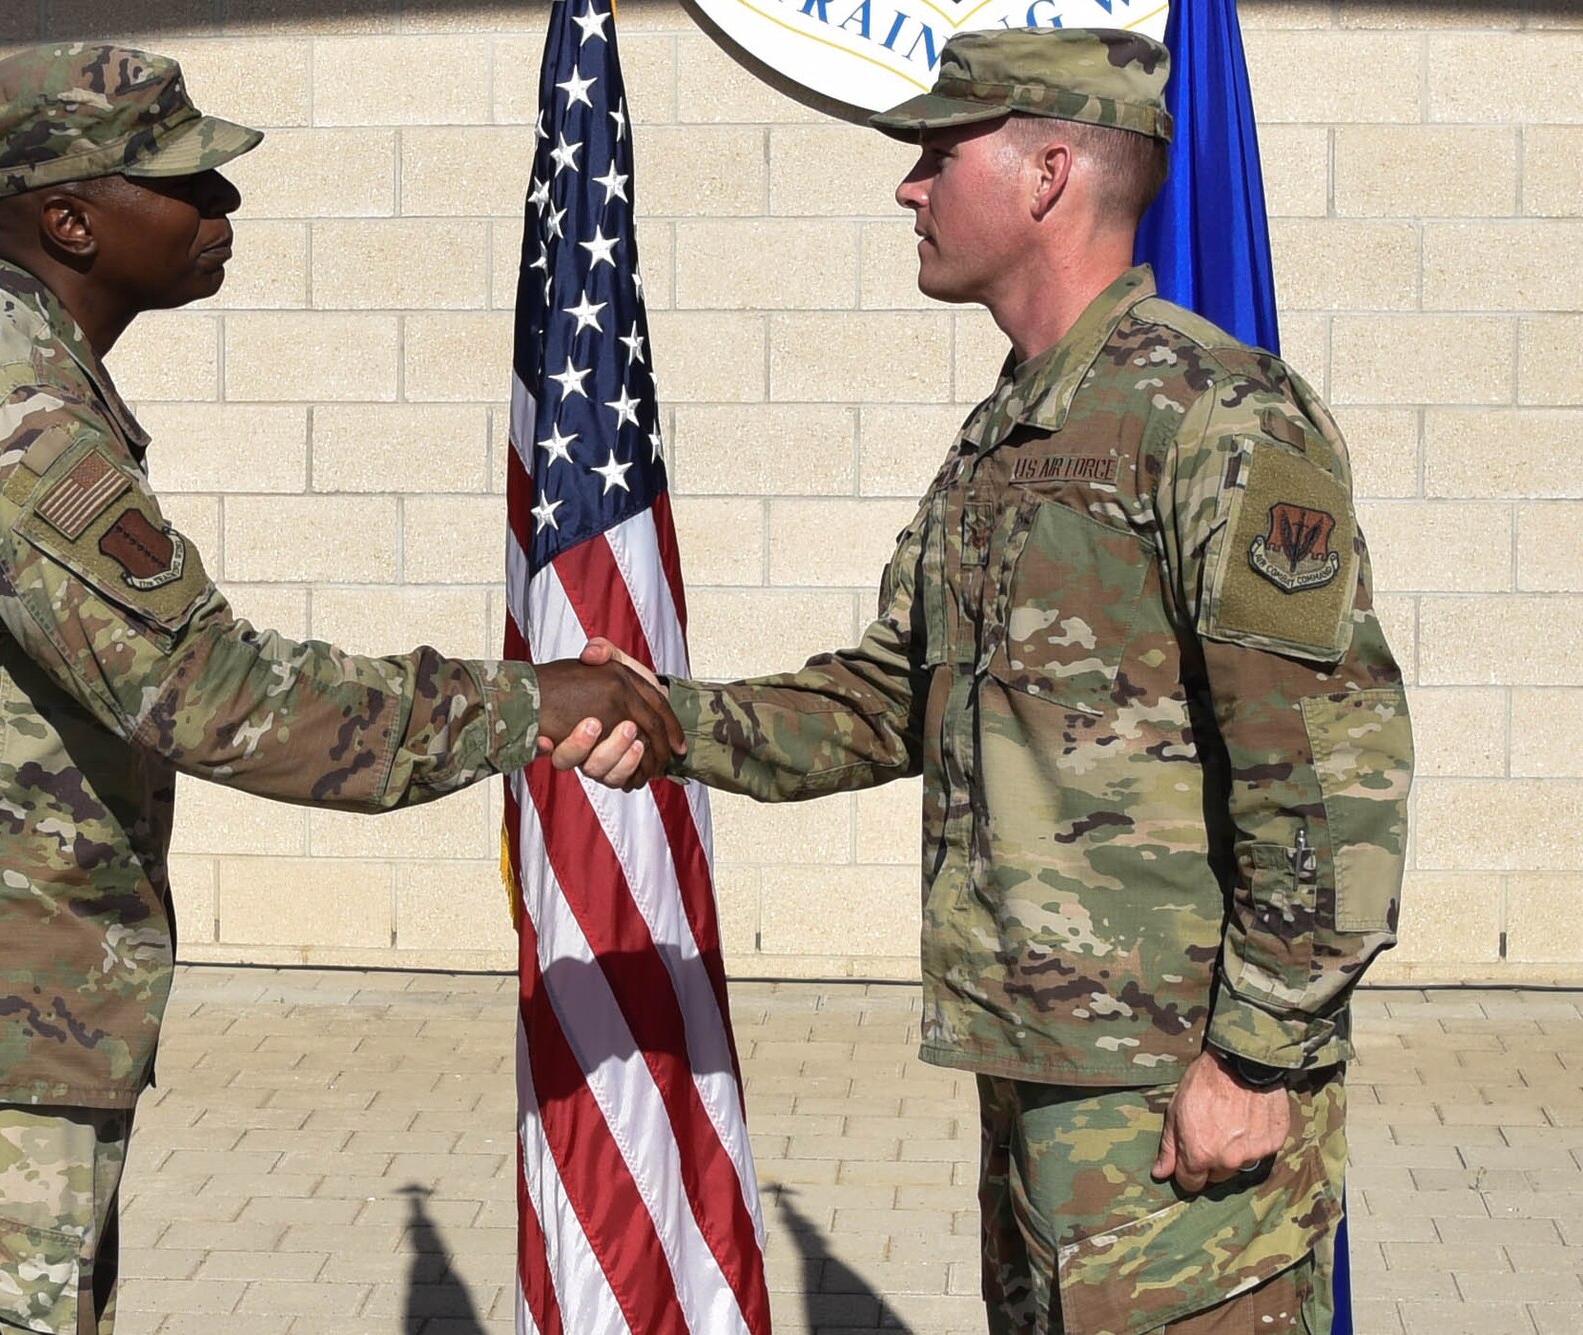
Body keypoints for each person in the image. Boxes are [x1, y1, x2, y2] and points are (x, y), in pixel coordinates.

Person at [0, 42, 676, 1335]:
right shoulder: (9, 414)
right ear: (70, 218)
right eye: (187, 183)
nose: (222, 209)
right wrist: (540, 703)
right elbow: (214, 695)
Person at [572, 27, 1412, 1335]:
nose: (909, 187)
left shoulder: (1215, 418)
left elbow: (1331, 776)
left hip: (1178, 1113)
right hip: (1038, 1087)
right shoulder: (1008, 437)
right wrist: (668, 720)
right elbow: (883, 698)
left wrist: (1260, 1054)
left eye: (936, 152)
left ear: (1049, 173)